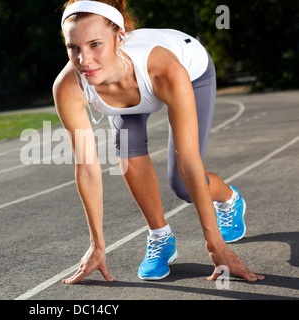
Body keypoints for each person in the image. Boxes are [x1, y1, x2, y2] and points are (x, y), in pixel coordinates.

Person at [53, 0, 264, 283]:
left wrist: (216, 247)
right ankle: (160, 237)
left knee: (182, 182)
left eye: (95, 45)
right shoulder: (68, 87)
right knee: (127, 155)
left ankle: (228, 199)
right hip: (125, 85)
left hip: (189, 69)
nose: (84, 61)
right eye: (73, 48)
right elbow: (88, 170)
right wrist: (97, 245)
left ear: (119, 39)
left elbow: (189, 162)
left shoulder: (167, 71)